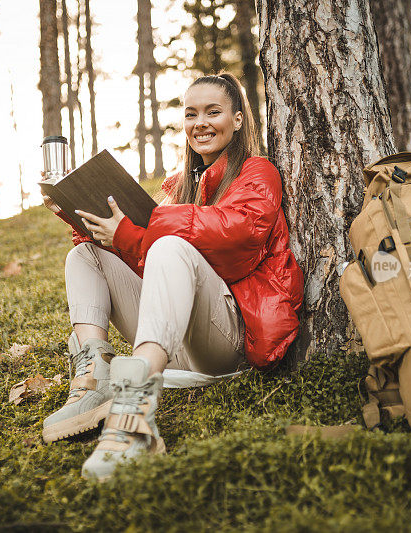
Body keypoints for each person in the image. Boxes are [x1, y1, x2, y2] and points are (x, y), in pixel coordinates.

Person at [41, 72, 304, 481]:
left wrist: (139, 232)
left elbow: (237, 241)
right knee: (85, 256)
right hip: (170, 339)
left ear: (237, 120)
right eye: (191, 114)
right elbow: (149, 264)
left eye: (213, 112)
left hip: (227, 338)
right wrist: (78, 214)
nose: (200, 123)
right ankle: (94, 380)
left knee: (168, 245)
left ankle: (132, 418)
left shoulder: (257, 172)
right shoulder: (182, 185)